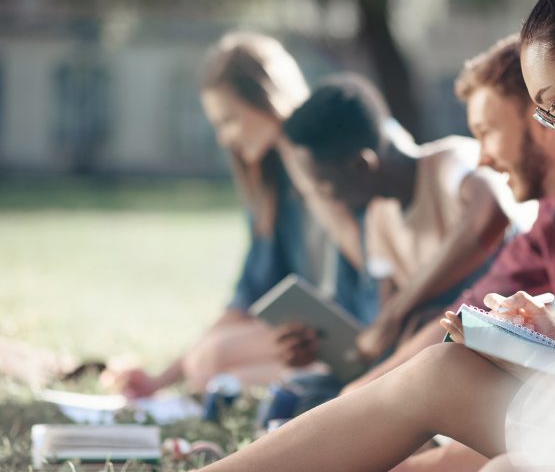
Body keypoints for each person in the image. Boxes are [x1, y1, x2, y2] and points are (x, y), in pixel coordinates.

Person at [197, 0, 555, 467]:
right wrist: (553, 343)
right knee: (445, 375)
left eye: (554, 105)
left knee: (484, 434)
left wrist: (553, 368)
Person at [114, 32, 372, 397]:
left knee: (212, 359)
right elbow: (246, 300)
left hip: (363, 330)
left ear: (268, 98)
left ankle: (322, 383)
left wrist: (300, 163)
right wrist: (159, 380)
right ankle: (298, 383)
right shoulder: (272, 185)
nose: (224, 138)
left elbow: (371, 262)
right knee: (206, 361)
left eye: (230, 120)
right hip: (307, 337)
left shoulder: (340, 161)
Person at [281, 74, 517, 363]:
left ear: (361, 165)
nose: (324, 198)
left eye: (323, 185)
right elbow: (388, 326)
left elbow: (490, 214)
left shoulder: (450, 162)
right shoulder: (379, 219)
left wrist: (397, 313)